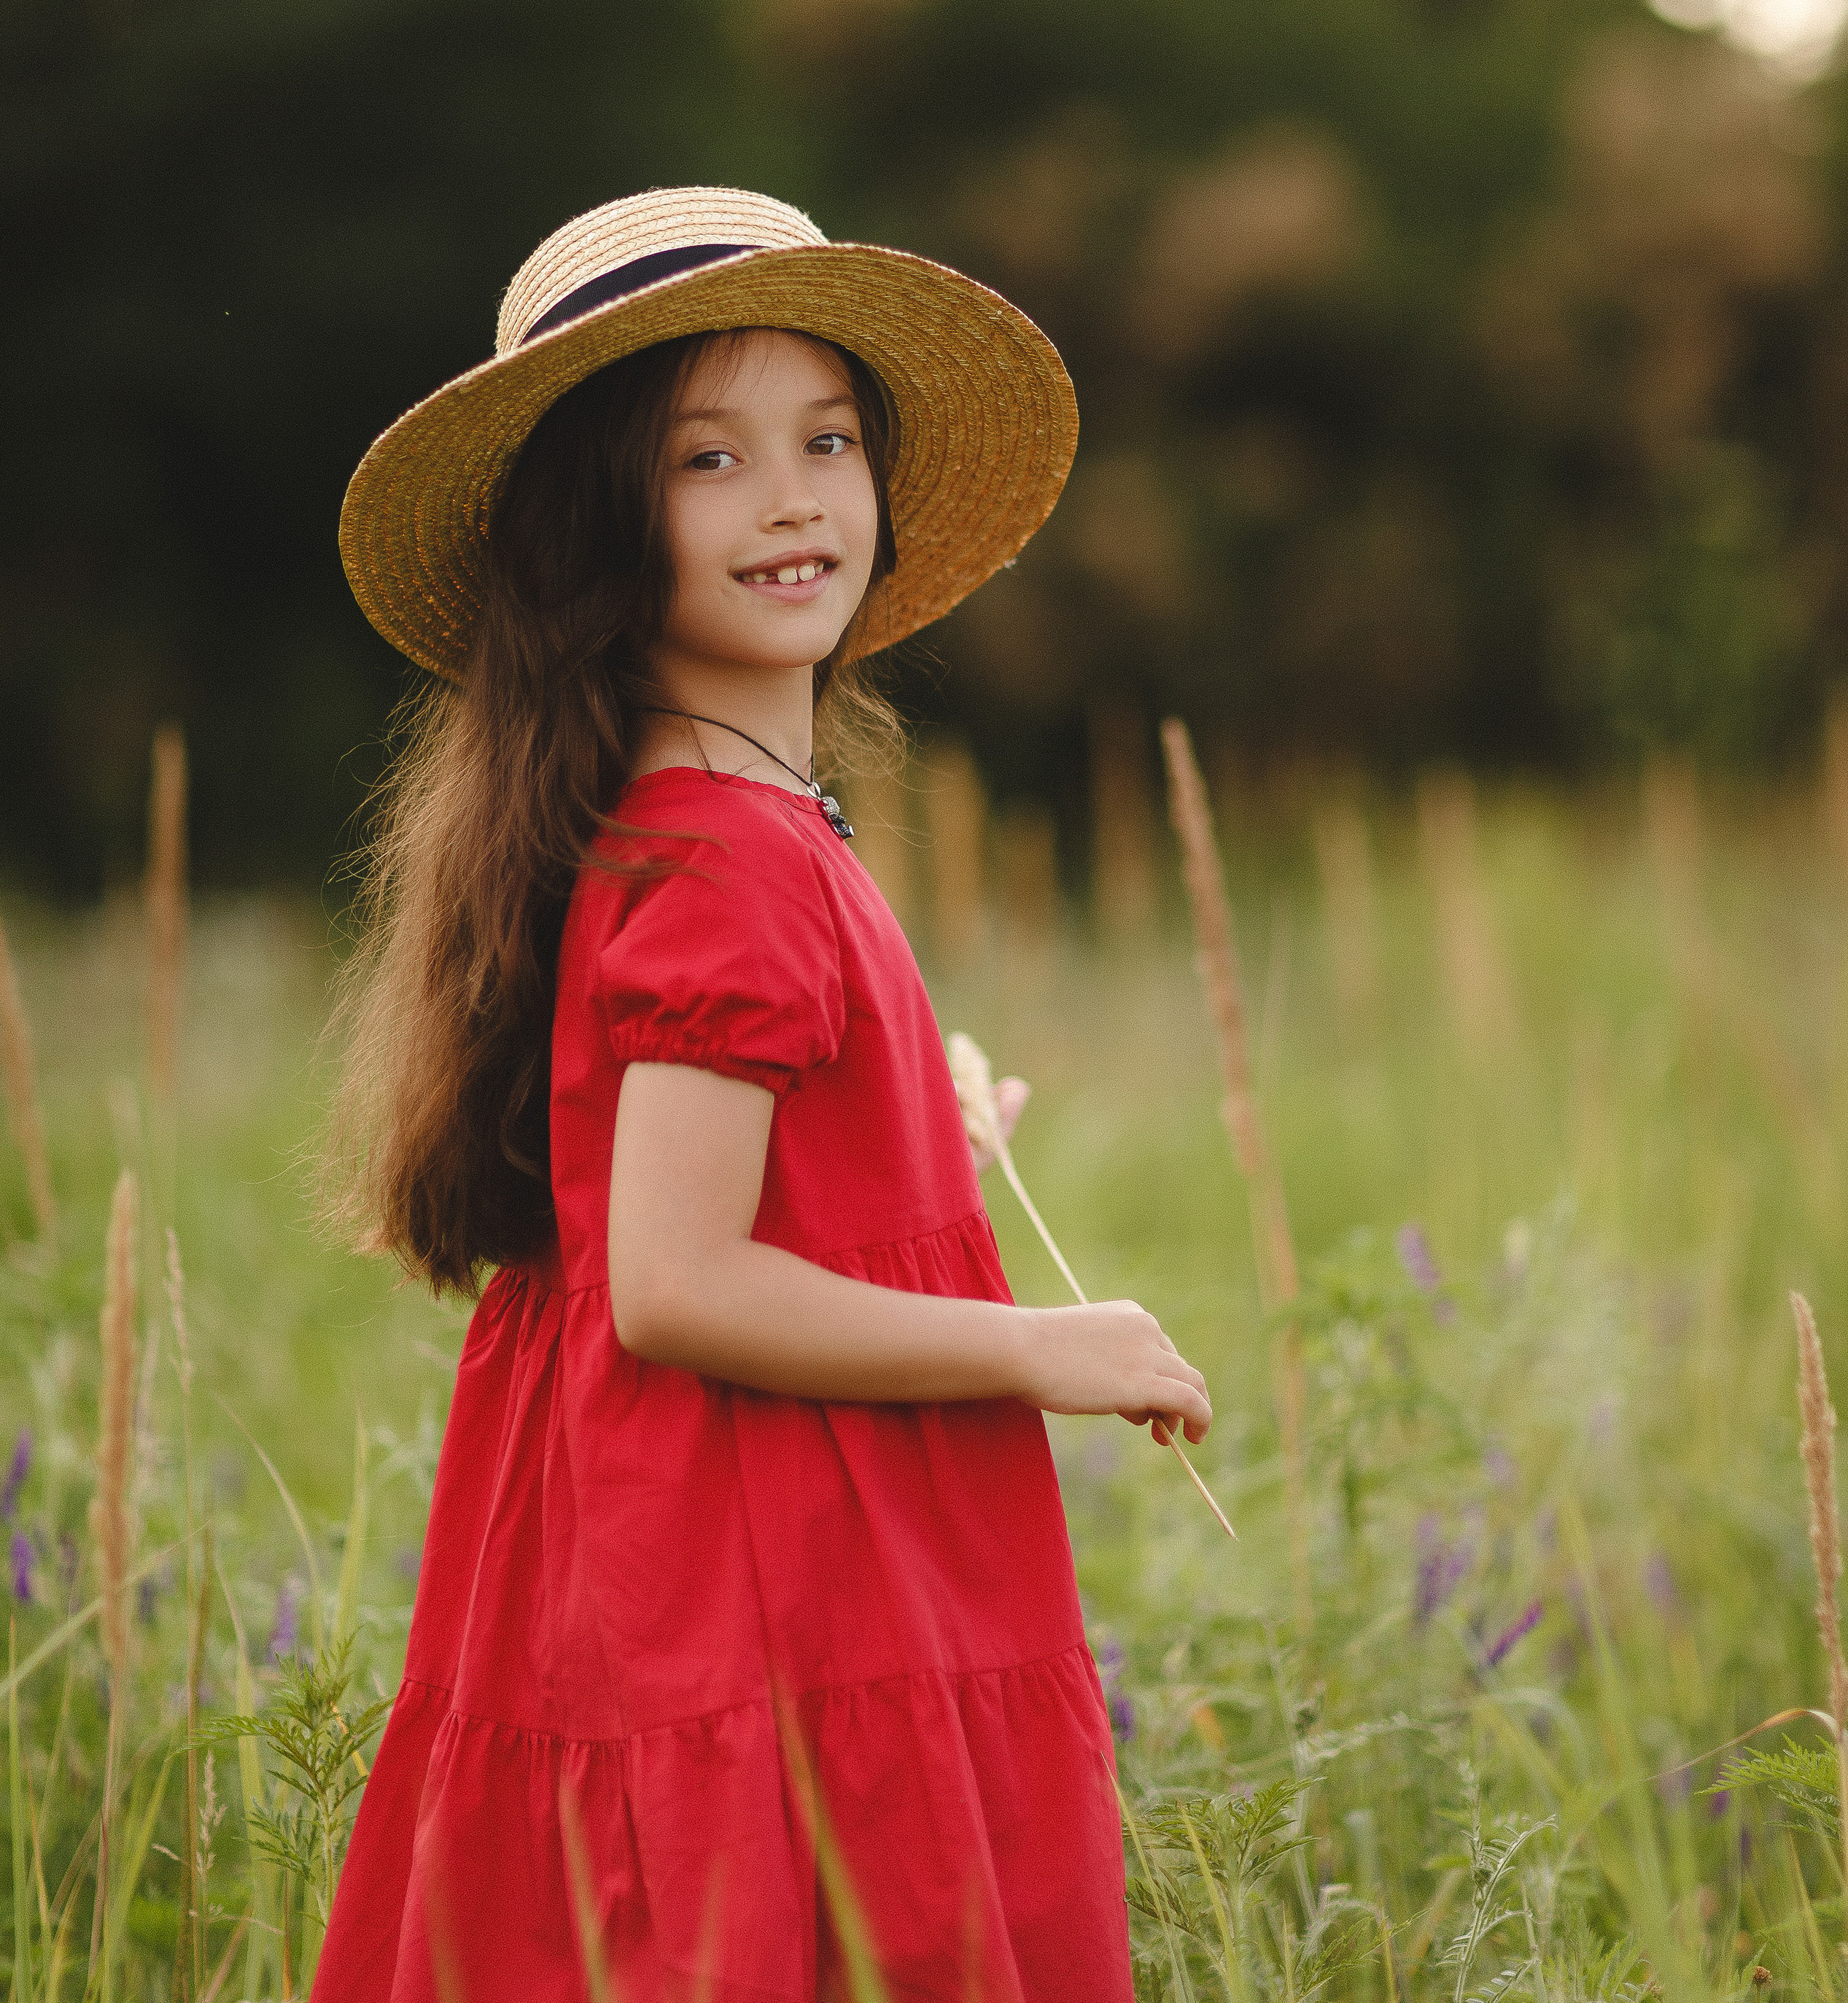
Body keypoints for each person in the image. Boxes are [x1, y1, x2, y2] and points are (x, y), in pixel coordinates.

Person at [316, 186, 1213, 2003]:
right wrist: (1053, 1346)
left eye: (824, 440)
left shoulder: (692, 819)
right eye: (706, 458)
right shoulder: (724, 855)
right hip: (762, 1563)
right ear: (597, 527)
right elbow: (674, 1280)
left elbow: (683, 1154)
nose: (792, 495)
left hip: (700, 1535)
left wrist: (911, 1134)